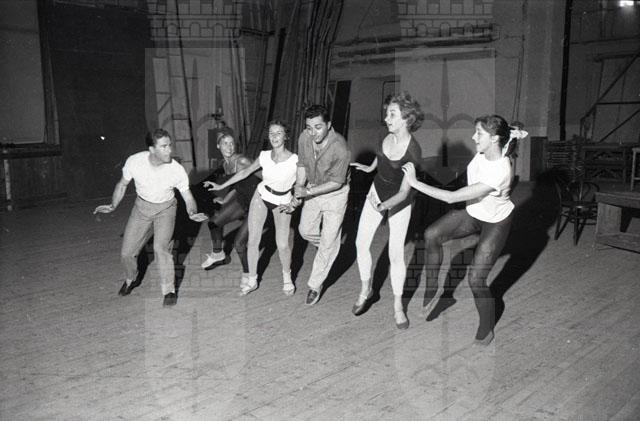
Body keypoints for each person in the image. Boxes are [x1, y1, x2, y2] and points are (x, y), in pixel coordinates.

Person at [402, 115, 528, 345]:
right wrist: (514, 132)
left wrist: (415, 182)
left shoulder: (500, 171)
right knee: (431, 234)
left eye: (479, 133)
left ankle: (486, 327)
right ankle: (433, 286)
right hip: (474, 212)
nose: (473, 137)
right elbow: (507, 136)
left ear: (494, 139)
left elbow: (451, 198)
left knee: (476, 279)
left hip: (496, 222)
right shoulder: (493, 146)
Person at [93, 129, 207, 306]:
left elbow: (188, 197)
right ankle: (131, 279)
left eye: (170, 145)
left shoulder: (176, 170)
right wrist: (113, 205)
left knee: (161, 248)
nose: (169, 150)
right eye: (164, 147)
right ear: (152, 149)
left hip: (166, 209)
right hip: (142, 208)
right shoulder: (135, 162)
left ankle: (169, 290)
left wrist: (192, 212)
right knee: (126, 253)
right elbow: (122, 184)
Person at [350, 92, 424, 329]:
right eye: (387, 113)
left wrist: (383, 206)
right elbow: (381, 155)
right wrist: (370, 167)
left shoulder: (413, 151)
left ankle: (398, 306)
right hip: (377, 190)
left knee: (395, 254)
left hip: (400, 200)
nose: (386, 118)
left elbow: (403, 192)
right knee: (361, 243)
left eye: (392, 114)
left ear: (407, 119)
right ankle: (366, 288)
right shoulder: (385, 134)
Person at [206, 120, 297, 296]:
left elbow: (301, 184)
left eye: (278, 133)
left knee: (282, 244)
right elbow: (244, 173)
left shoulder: (294, 160)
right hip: (260, 197)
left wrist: (295, 201)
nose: (274, 137)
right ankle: (252, 279)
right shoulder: (264, 156)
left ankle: (287, 277)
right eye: (271, 133)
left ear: (286, 136)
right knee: (252, 241)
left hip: (282, 201)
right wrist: (220, 187)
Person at [288, 105, 351, 306]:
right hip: (313, 187)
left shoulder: (340, 147)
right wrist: (299, 188)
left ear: (328, 125)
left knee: (328, 243)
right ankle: (329, 247)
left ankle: (315, 286)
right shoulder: (304, 138)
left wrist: (307, 193)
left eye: (318, 127)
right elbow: (302, 165)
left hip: (335, 195)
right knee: (305, 230)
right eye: (309, 127)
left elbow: (337, 183)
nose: (313, 132)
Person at [193, 133, 259, 280]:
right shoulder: (225, 165)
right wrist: (225, 200)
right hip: (242, 199)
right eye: (225, 143)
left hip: (258, 203)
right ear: (218, 146)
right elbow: (237, 185)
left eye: (231, 143)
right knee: (214, 223)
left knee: (239, 243)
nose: (229, 147)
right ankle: (218, 254)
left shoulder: (242, 161)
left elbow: (264, 175)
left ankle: (249, 276)